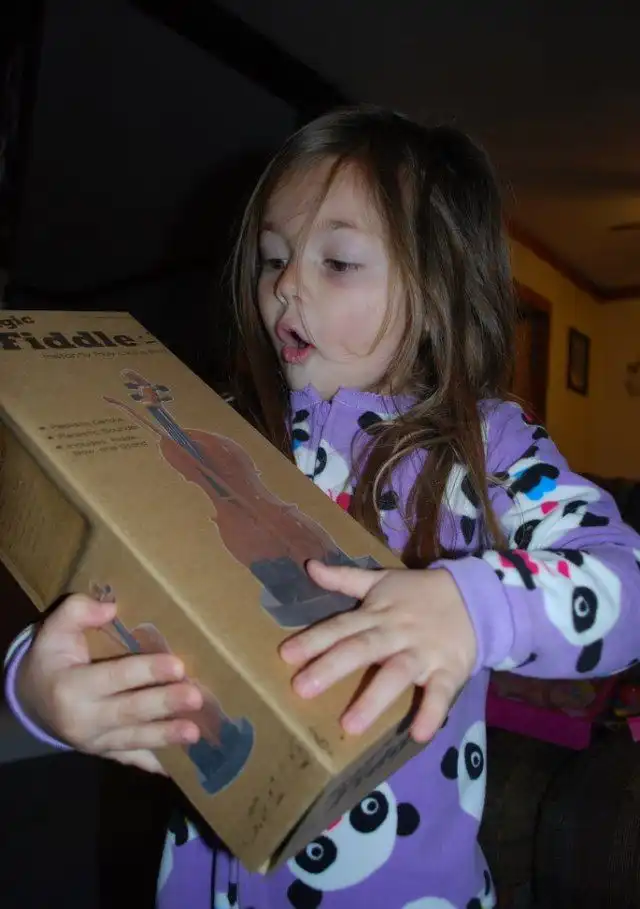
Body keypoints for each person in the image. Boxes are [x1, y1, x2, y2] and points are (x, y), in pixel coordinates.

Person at [5, 105, 640, 909]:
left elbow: (626, 582)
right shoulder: (227, 432)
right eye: (273, 258)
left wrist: (474, 606)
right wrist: (36, 691)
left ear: (437, 289)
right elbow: (113, 588)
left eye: (337, 261)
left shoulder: (491, 450)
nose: (285, 286)